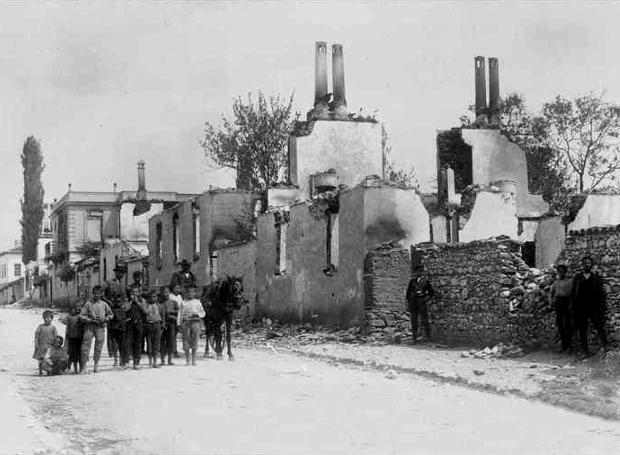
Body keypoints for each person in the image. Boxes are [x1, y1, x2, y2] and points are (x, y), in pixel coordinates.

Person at [572, 255, 609, 358]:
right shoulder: (578, 278)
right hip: (581, 308)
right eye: (584, 263)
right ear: (582, 265)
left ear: (591, 265)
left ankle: (606, 348)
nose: (586, 265)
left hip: (594, 308)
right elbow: (573, 293)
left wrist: (602, 307)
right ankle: (585, 351)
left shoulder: (596, 278)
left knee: (599, 327)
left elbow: (601, 294)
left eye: (588, 263)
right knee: (582, 330)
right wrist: (574, 307)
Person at [79, 286, 113, 373]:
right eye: (95, 293)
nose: (97, 295)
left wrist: (105, 319)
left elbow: (111, 314)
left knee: (99, 346)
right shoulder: (88, 304)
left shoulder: (104, 304)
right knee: (85, 346)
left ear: (101, 294)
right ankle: (84, 367)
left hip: (100, 327)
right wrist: (90, 320)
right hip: (90, 326)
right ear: (92, 293)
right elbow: (81, 316)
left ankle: (96, 365)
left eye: (99, 293)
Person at [103, 265, 128, 365]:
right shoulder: (109, 283)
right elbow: (101, 293)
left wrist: (125, 305)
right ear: (115, 273)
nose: (120, 274)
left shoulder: (123, 284)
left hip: (121, 311)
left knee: (122, 333)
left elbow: (125, 297)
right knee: (112, 332)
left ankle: (122, 357)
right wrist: (108, 302)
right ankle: (113, 354)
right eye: (119, 272)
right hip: (111, 309)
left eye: (122, 273)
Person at [405, 264, 435, 345]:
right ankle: (414, 339)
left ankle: (429, 338)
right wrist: (409, 301)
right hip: (414, 302)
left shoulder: (426, 281)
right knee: (414, 320)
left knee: (424, 320)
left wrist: (426, 298)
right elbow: (408, 293)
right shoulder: (412, 281)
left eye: (421, 271)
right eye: (418, 271)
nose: (419, 273)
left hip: (422, 301)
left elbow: (431, 292)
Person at [548, 264, 573, 353]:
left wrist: (571, 305)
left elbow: (572, 294)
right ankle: (564, 346)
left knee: (568, 325)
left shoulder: (570, 281)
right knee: (560, 325)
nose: (560, 273)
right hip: (559, 303)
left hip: (567, 302)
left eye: (562, 271)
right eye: (559, 272)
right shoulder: (556, 282)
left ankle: (569, 346)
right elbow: (551, 293)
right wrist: (551, 303)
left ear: (565, 272)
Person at [179, 285, 205, 366]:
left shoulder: (197, 302)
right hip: (186, 323)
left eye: (192, 292)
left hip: (195, 323)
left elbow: (202, 312)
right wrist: (179, 324)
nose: (190, 294)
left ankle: (194, 360)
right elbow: (180, 314)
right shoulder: (183, 302)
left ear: (195, 293)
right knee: (186, 340)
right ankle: (187, 360)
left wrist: (198, 315)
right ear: (186, 293)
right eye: (189, 292)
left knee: (195, 340)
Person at [125, 285, 148, 370]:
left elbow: (145, 311)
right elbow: (125, 309)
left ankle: (136, 362)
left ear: (139, 293)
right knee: (128, 342)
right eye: (133, 292)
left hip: (139, 322)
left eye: (136, 292)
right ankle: (127, 360)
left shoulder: (143, 300)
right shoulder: (127, 300)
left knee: (138, 342)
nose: (135, 294)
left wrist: (138, 302)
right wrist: (131, 301)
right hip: (130, 322)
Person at [32, 310, 58, 375]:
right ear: (43, 318)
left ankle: (49, 371)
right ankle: (40, 371)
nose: (47, 319)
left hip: (49, 346)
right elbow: (36, 334)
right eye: (46, 318)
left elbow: (56, 337)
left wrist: (55, 344)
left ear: (52, 319)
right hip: (41, 346)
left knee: (48, 359)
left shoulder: (53, 327)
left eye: (49, 318)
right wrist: (36, 342)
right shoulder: (40, 326)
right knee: (40, 360)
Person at [144, 289, 164, 368]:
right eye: (151, 297)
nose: (153, 298)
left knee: (156, 343)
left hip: (157, 324)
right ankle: (150, 361)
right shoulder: (146, 305)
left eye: (154, 297)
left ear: (157, 297)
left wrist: (162, 325)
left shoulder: (159, 306)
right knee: (149, 343)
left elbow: (163, 316)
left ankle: (155, 361)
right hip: (149, 325)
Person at [159, 286, 179, 366]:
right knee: (162, 342)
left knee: (170, 341)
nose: (165, 294)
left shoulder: (174, 302)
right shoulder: (159, 303)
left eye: (166, 292)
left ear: (169, 293)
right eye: (163, 292)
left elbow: (177, 312)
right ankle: (162, 359)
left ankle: (170, 359)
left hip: (171, 324)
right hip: (162, 324)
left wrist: (170, 312)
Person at [63, 304, 84, 374]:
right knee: (72, 353)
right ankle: (72, 368)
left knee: (79, 354)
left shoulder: (80, 317)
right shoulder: (69, 317)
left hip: (79, 338)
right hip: (71, 338)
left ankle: (79, 368)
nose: (76, 310)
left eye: (77, 309)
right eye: (74, 309)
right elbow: (65, 324)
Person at [169, 284, 184, 357]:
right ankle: (173, 351)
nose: (178, 289)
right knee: (172, 335)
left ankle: (174, 350)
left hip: (178, 318)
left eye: (178, 288)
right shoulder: (170, 296)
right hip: (172, 318)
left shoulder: (179, 297)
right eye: (176, 288)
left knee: (174, 335)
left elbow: (182, 306)